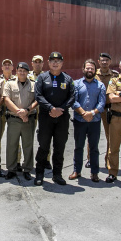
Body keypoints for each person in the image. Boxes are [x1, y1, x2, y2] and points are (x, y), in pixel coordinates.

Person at [34, 52, 75, 186]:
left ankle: (57, 175)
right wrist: (51, 108)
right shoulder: (42, 77)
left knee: (59, 147)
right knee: (43, 146)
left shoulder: (67, 79)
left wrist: (60, 109)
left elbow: (72, 97)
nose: (55, 63)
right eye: (53, 60)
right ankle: (39, 174)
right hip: (46, 117)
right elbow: (38, 95)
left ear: (62, 63)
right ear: (48, 62)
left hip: (62, 118)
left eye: (58, 61)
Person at [70, 59, 106, 182]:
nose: (89, 70)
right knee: (78, 147)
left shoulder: (100, 85)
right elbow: (73, 101)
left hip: (94, 121)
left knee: (94, 147)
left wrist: (92, 113)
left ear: (95, 70)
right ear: (83, 69)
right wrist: (83, 113)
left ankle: (94, 173)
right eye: (87, 68)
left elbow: (102, 103)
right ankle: (77, 171)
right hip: (80, 120)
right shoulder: (76, 84)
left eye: (92, 68)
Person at [3, 62, 38, 180]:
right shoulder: (9, 83)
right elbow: (7, 100)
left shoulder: (34, 84)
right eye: (20, 70)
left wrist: (26, 111)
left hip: (28, 119)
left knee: (28, 145)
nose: (22, 72)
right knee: (11, 145)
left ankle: (27, 169)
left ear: (28, 72)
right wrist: (20, 112)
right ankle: (11, 169)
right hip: (14, 119)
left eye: (24, 71)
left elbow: (37, 100)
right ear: (16, 71)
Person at [95, 53, 116, 172]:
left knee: (110, 135)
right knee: (93, 134)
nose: (104, 62)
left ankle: (108, 159)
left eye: (106, 60)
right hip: (96, 109)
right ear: (98, 61)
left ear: (110, 62)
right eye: (102, 60)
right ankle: (90, 159)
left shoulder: (115, 75)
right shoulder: (94, 74)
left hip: (108, 109)